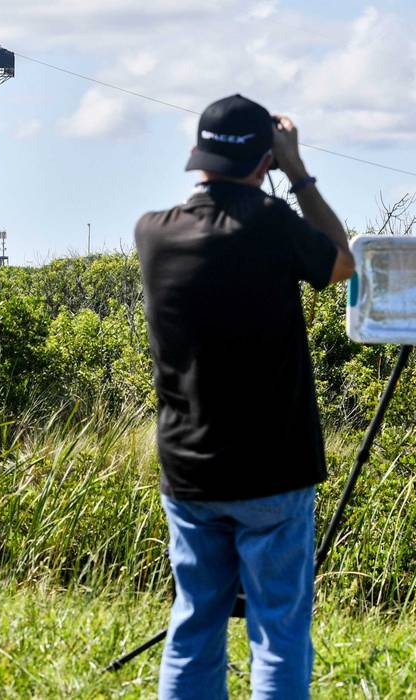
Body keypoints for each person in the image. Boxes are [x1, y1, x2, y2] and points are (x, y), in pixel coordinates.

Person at [133, 94, 354, 699]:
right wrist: (298, 171)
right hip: (274, 467)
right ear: (265, 161)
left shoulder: (153, 233)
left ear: (196, 155)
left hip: (190, 469)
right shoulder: (273, 224)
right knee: (278, 633)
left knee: (193, 625)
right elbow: (341, 262)